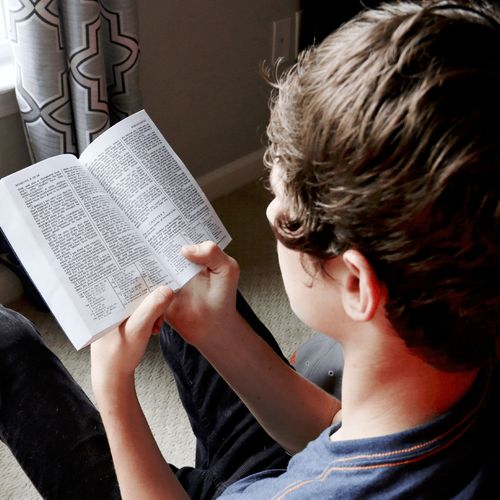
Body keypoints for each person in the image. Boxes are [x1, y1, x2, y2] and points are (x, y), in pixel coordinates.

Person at [1, 0, 498, 498]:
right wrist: (217, 332)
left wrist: (114, 390)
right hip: (310, 456)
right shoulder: (466, 343)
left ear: (355, 282)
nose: (267, 215)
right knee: (182, 277)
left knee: (9, 345)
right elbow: (336, 429)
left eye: (284, 207)